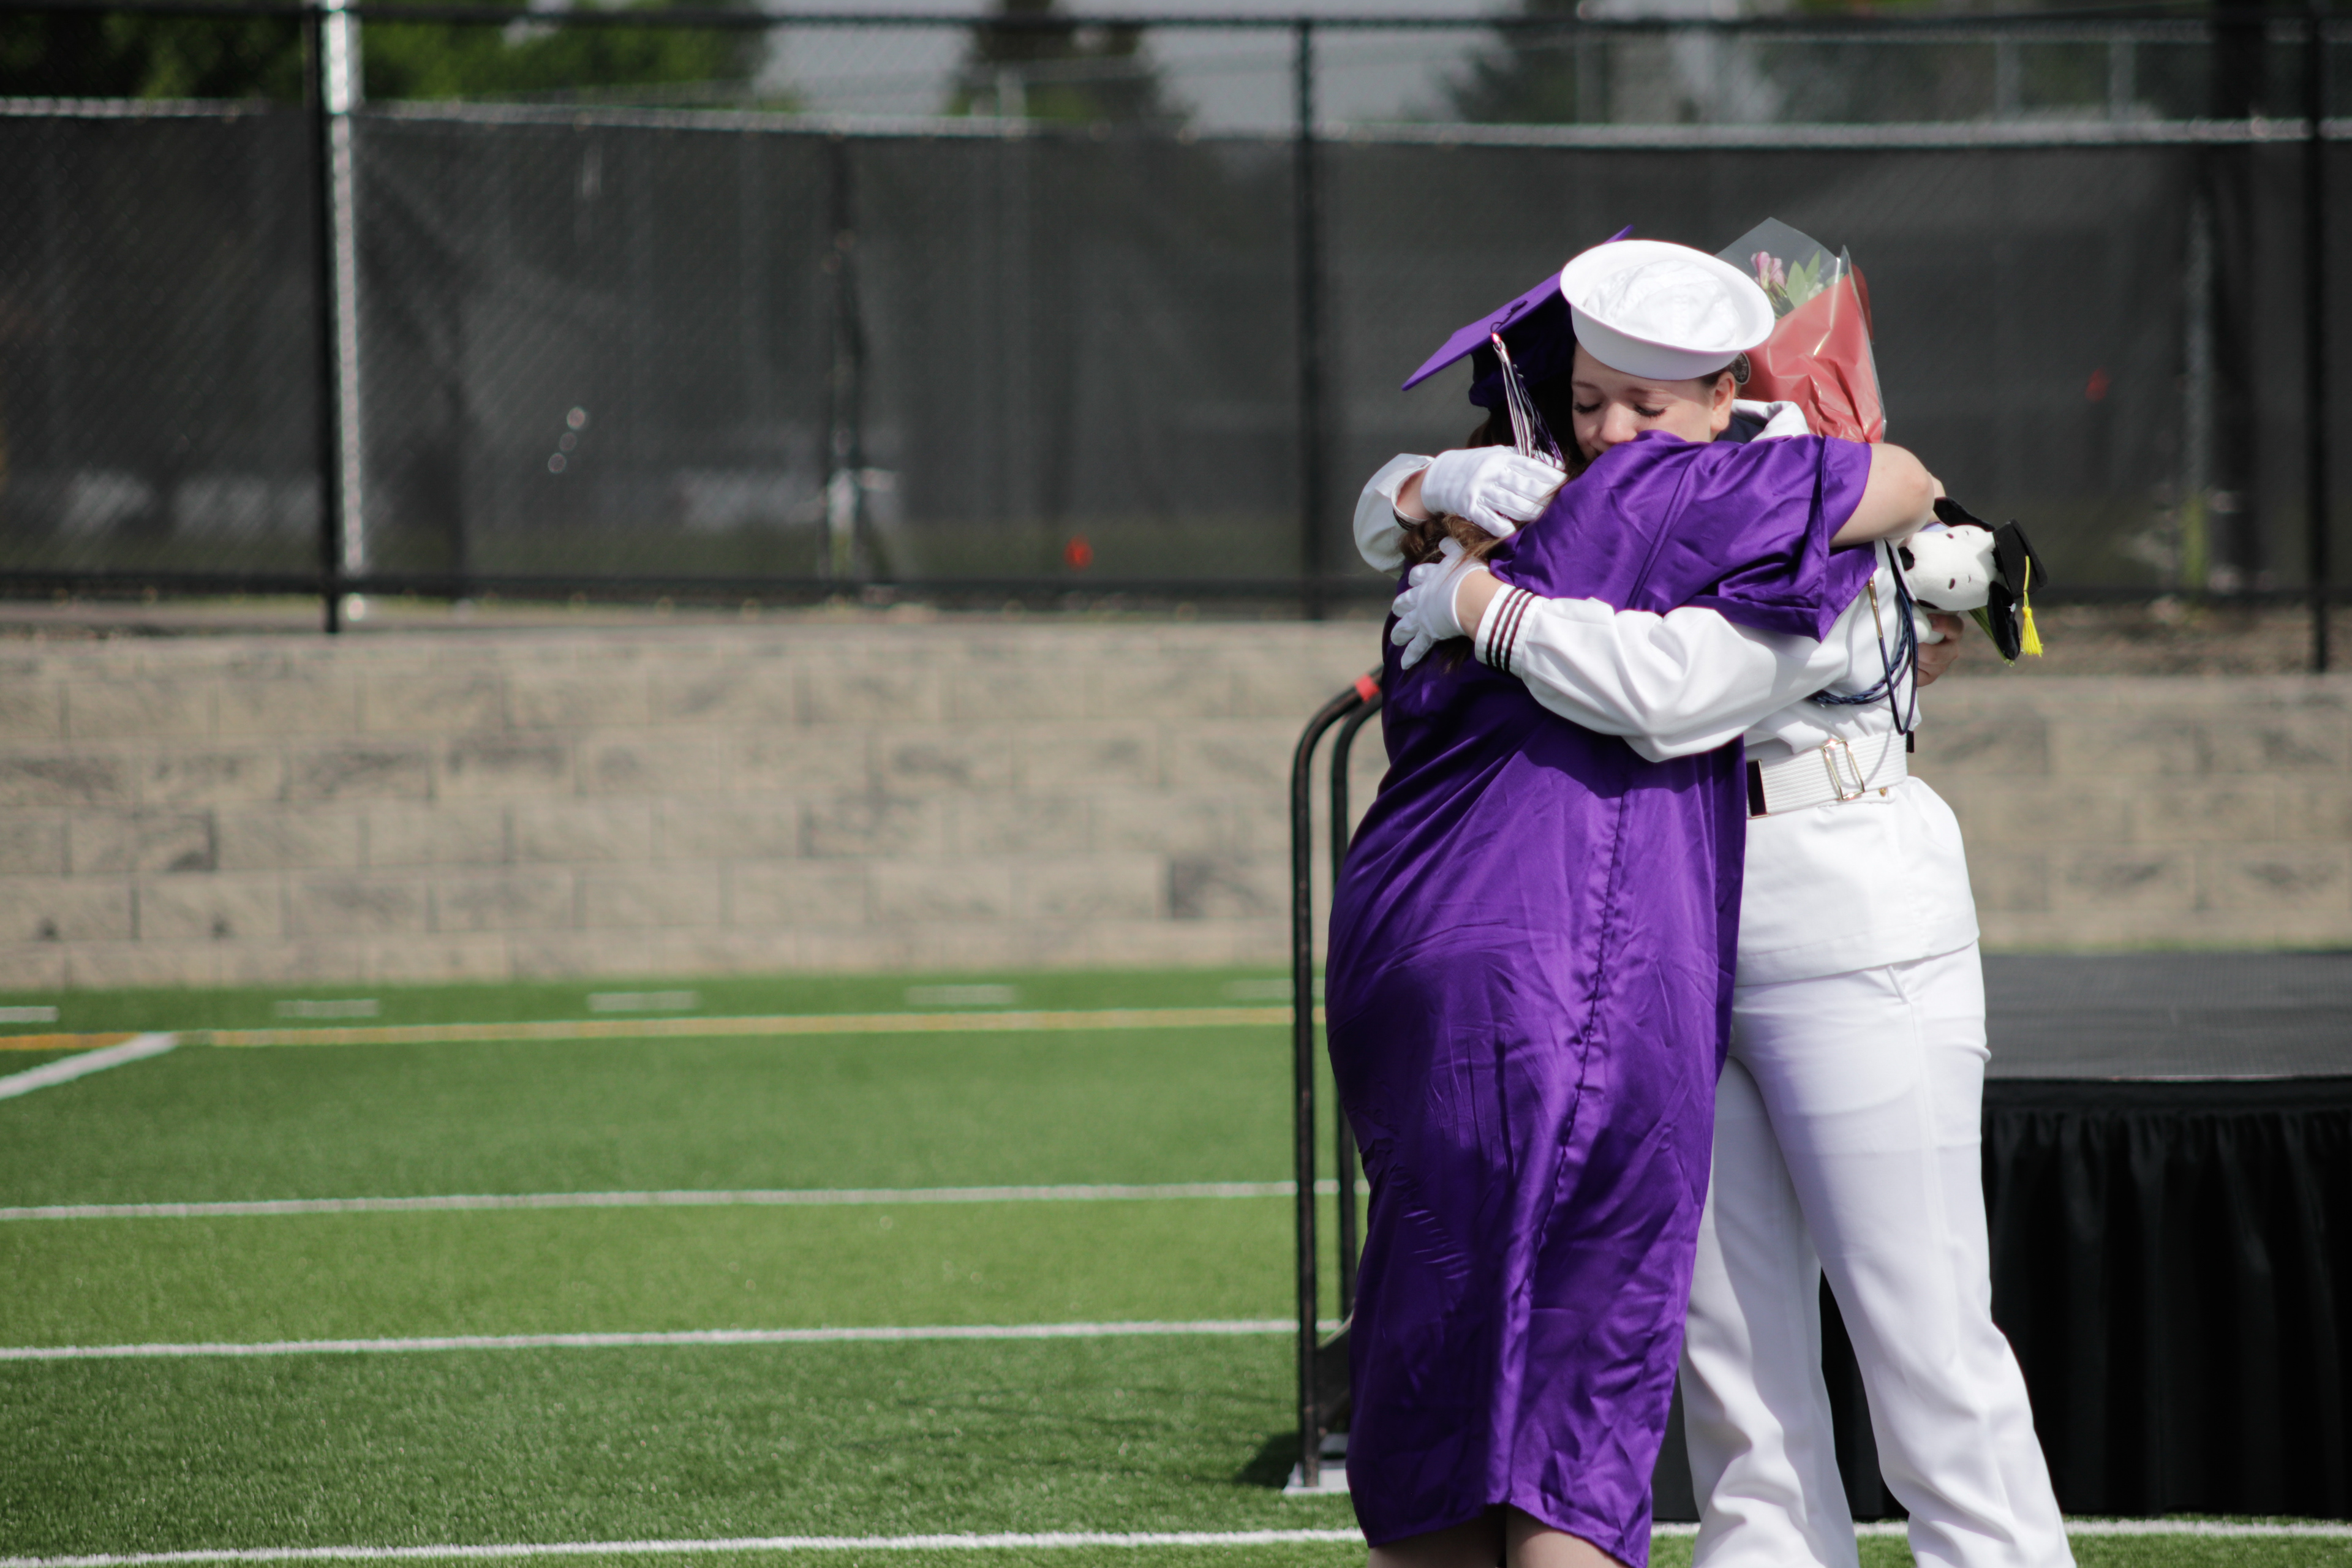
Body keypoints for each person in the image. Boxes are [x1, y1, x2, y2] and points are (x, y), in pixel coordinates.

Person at [1360, 239, 2073, 1568]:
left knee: (1925, 1352)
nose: (1610, 435)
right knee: (1738, 1395)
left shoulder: (1818, 483)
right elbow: (1384, 507)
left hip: (1848, 909)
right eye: (1591, 402)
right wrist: (1436, 486)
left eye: (1646, 403)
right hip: (1660, 939)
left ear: (1724, 384)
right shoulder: (1633, 478)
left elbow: (1679, 691)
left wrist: (1486, 610)